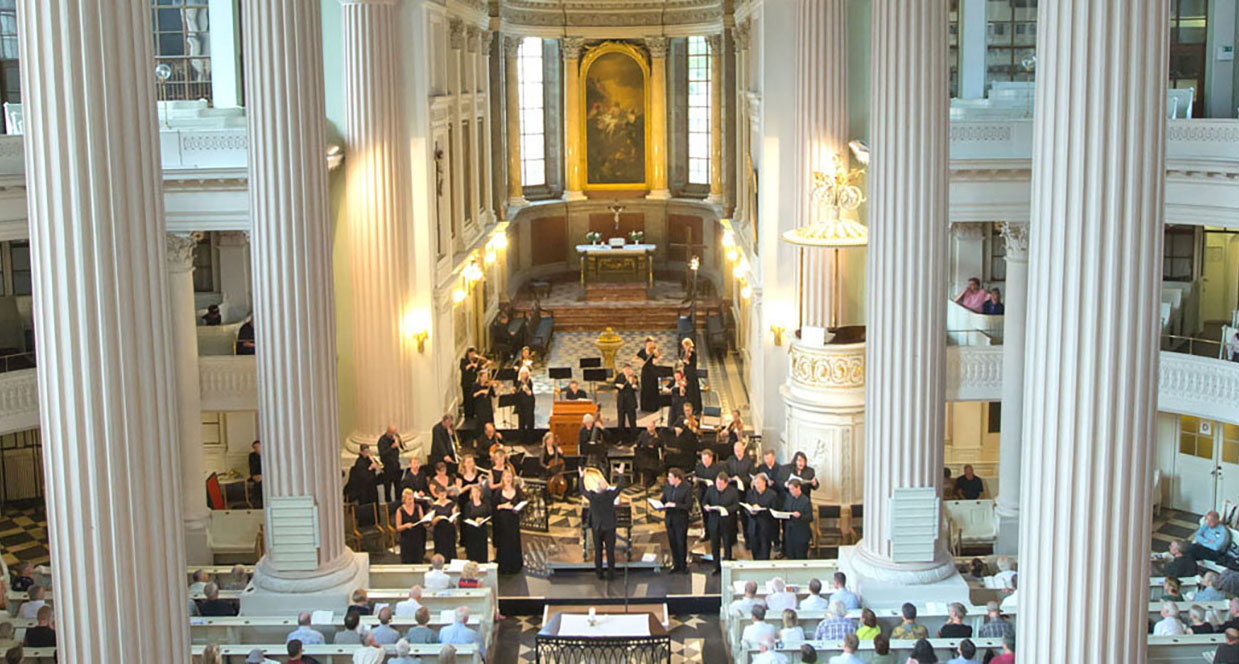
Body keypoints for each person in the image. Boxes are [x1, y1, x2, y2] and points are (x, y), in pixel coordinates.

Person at [583, 469, 623, 579]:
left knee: (598, 550)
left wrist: (581, 477)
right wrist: (620, 474)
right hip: (609, 526)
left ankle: (599, 573)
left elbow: (582, 490)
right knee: (610, 551)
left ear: (597, 488)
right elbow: (620, 486)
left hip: (597, 527)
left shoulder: (592, 496)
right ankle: (611, 573)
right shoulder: (610, 495)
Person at [704, 472, 740, 575]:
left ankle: (727, 565)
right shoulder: (711, 489)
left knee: (727, 543)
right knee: (715, 545)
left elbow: (736, 505)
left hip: (727, 521)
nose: (718, 486)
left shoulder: (732, 491)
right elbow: (704, 501)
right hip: (714, 520)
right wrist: (706, 506)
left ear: (726, 483)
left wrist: (726, 509)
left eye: (720, 484)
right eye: (717, 483)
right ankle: (716, 566)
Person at [491, 471, 525, 574]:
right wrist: (503, 506)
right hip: (503, 521)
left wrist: (518, 508)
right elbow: (494, 507)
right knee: (504, 542)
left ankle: (515, 565)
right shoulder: (498, 491)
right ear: (503, 478)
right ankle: (504, 566)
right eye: (506, 477)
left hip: (514, 519)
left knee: (514, 541)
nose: (508, 479)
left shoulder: (517, 490)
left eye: (510, 477)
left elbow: (522, 502)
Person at [660, 468, 692, 573]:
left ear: (677, 478)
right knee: (672, 542)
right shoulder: (668, 487)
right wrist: (659, 504)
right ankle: (675, 564)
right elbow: (663, 499)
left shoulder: (686, 488)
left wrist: (675, 505)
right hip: (670, 519)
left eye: (670, 477)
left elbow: (688, 505)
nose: (668, 479)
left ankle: (683, 565)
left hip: (681, 519)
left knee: (681, 542)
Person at [745, 473, 779, 560]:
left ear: (764, 483)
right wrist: (750, 512)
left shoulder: (772, 494)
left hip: (765, 526)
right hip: (753, 526)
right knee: (754, 550)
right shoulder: (750, 493)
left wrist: (761, 509)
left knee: (765, 551)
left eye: (759, 483)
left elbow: (774, 510)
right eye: (755, 483)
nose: (757, 485)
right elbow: (745, 508)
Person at [782, 479, 813, 559]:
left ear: (798, 487)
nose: (791, 491)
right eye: (789, 489)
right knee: (790, 555)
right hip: (790, 532)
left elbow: (810, 517)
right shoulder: (789, 498)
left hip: (801, 534)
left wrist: (800, 516)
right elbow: (785, 509)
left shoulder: (805, 501)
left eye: (792, 489)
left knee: (800, 556)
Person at [396, 488, 428, 564]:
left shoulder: (418, 507)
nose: (411, 501)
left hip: (417, 538)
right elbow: (398, 528)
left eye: (412, 499)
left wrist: (427, 522)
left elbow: (422, 521)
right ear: (404, 499)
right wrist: (405, 526)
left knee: (418, 560)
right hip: (406, 540)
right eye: (409, 499)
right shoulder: (400, 510)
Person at [428, 484, 459, 562]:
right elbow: (431, 522)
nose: (443, 497)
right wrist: (437, 518)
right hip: (439, 531)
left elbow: (455, 518)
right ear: (437, 495)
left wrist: (454, 518)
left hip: (449, 529)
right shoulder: (434, 506)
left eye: (444, 495)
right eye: (441, 495)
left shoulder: (451, 504)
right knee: (440, 549)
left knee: (450, 549)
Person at [461, 485, 492, 563]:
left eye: (477, 492)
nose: (476, 494)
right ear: (471, 493)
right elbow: (466, 517)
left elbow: (489, 514)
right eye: (474, 492)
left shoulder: (485, 504)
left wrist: (482, 518)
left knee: (482, 548)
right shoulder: (468, 505)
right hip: (471, 530)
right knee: (472, 549)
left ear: (480, 493)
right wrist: (475, 520)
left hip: (482, 529)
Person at [376, 425, 405, 503]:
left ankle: (398, 503)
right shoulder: (382, 440)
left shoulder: (395, 438)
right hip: (387, 468)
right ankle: (388, 505)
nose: (393, 434)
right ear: (388, 432)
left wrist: (400, 441)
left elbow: (403, 447)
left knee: (398, 487)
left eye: (395, 432)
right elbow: (382, 453)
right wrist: (391, 447)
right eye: (392, 433)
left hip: (396, 466)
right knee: (387, 489)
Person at [635, 337, 662, 412]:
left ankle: (654, 406)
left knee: (653, 387)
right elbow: (634, 358)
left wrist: (656, 359)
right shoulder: (642, 351)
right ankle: (645, 407)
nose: (650, 344)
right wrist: (640, 361)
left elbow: (659, 357)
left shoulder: (654, 350)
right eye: (649, 343)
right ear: (646, 343)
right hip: (645, 371)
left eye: (652, 343)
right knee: (645, 388)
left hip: (653, 371)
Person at [634, 420, 663, 487]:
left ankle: (651, 482)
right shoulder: (643, 434)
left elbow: (661, 447)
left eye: (651, 427)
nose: (650, 428)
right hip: (644, 457)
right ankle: (647, 483)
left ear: (654, 427)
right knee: (643, 465)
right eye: (649, 427)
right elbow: (638, 444)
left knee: (652, 467)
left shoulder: (658, 436)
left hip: (654, 458)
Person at [614, 364, 639, 442]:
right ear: (623, 370)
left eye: (628, 369)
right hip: (621, 402)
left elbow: (637, 387)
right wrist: (618, 385)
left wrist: (634, 386)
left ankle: (634, 439)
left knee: (632, 421)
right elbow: (613, 384)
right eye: (625, 369)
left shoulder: (634, 377)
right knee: (621, 421)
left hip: (630, 402)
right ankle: (621, 439)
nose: (627, 371)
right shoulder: (619, 376)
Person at [513, 366, 536, 446]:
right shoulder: (518, 382)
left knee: (529, 421)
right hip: (520, 404)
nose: (523, 375)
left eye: (525, 373)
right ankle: (521, 439)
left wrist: (527, 390)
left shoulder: (529, 382)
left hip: (529, 404)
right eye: (522, 373)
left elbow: (530, 393)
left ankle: (530, 439)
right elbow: (516, 392)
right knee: (521, 422)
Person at [460, 348, 484, 418]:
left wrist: (483, 361)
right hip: (466, 383)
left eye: (474, 353)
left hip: (474, 383)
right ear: (468, 354)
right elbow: (464, 369)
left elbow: (480, 368)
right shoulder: (464, 361)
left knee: (473, 399)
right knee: (467, 399)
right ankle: (468, 415)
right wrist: (471, 365)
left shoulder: (476, 361)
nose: (473, 355)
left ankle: (474, 413)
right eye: (471, 353)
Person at [680, 337, 702, 414]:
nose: (684, 347)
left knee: (693, 392)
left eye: (685, 345)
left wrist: (687, 360)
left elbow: (692, 364)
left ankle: (695, 409)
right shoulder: (683, 352)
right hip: (686, 372)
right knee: (687, 392)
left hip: (692, 374)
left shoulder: (693, 353)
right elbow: (682, 360)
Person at [248, 440, 263, 505]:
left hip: (264, 476)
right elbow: (251, 467)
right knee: (257, 484)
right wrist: (254, 476)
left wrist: (262, 476)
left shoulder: (266, 455)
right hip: (256, 476)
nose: (256, 449)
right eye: (254, 447)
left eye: (257, 447)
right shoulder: (252, 456)